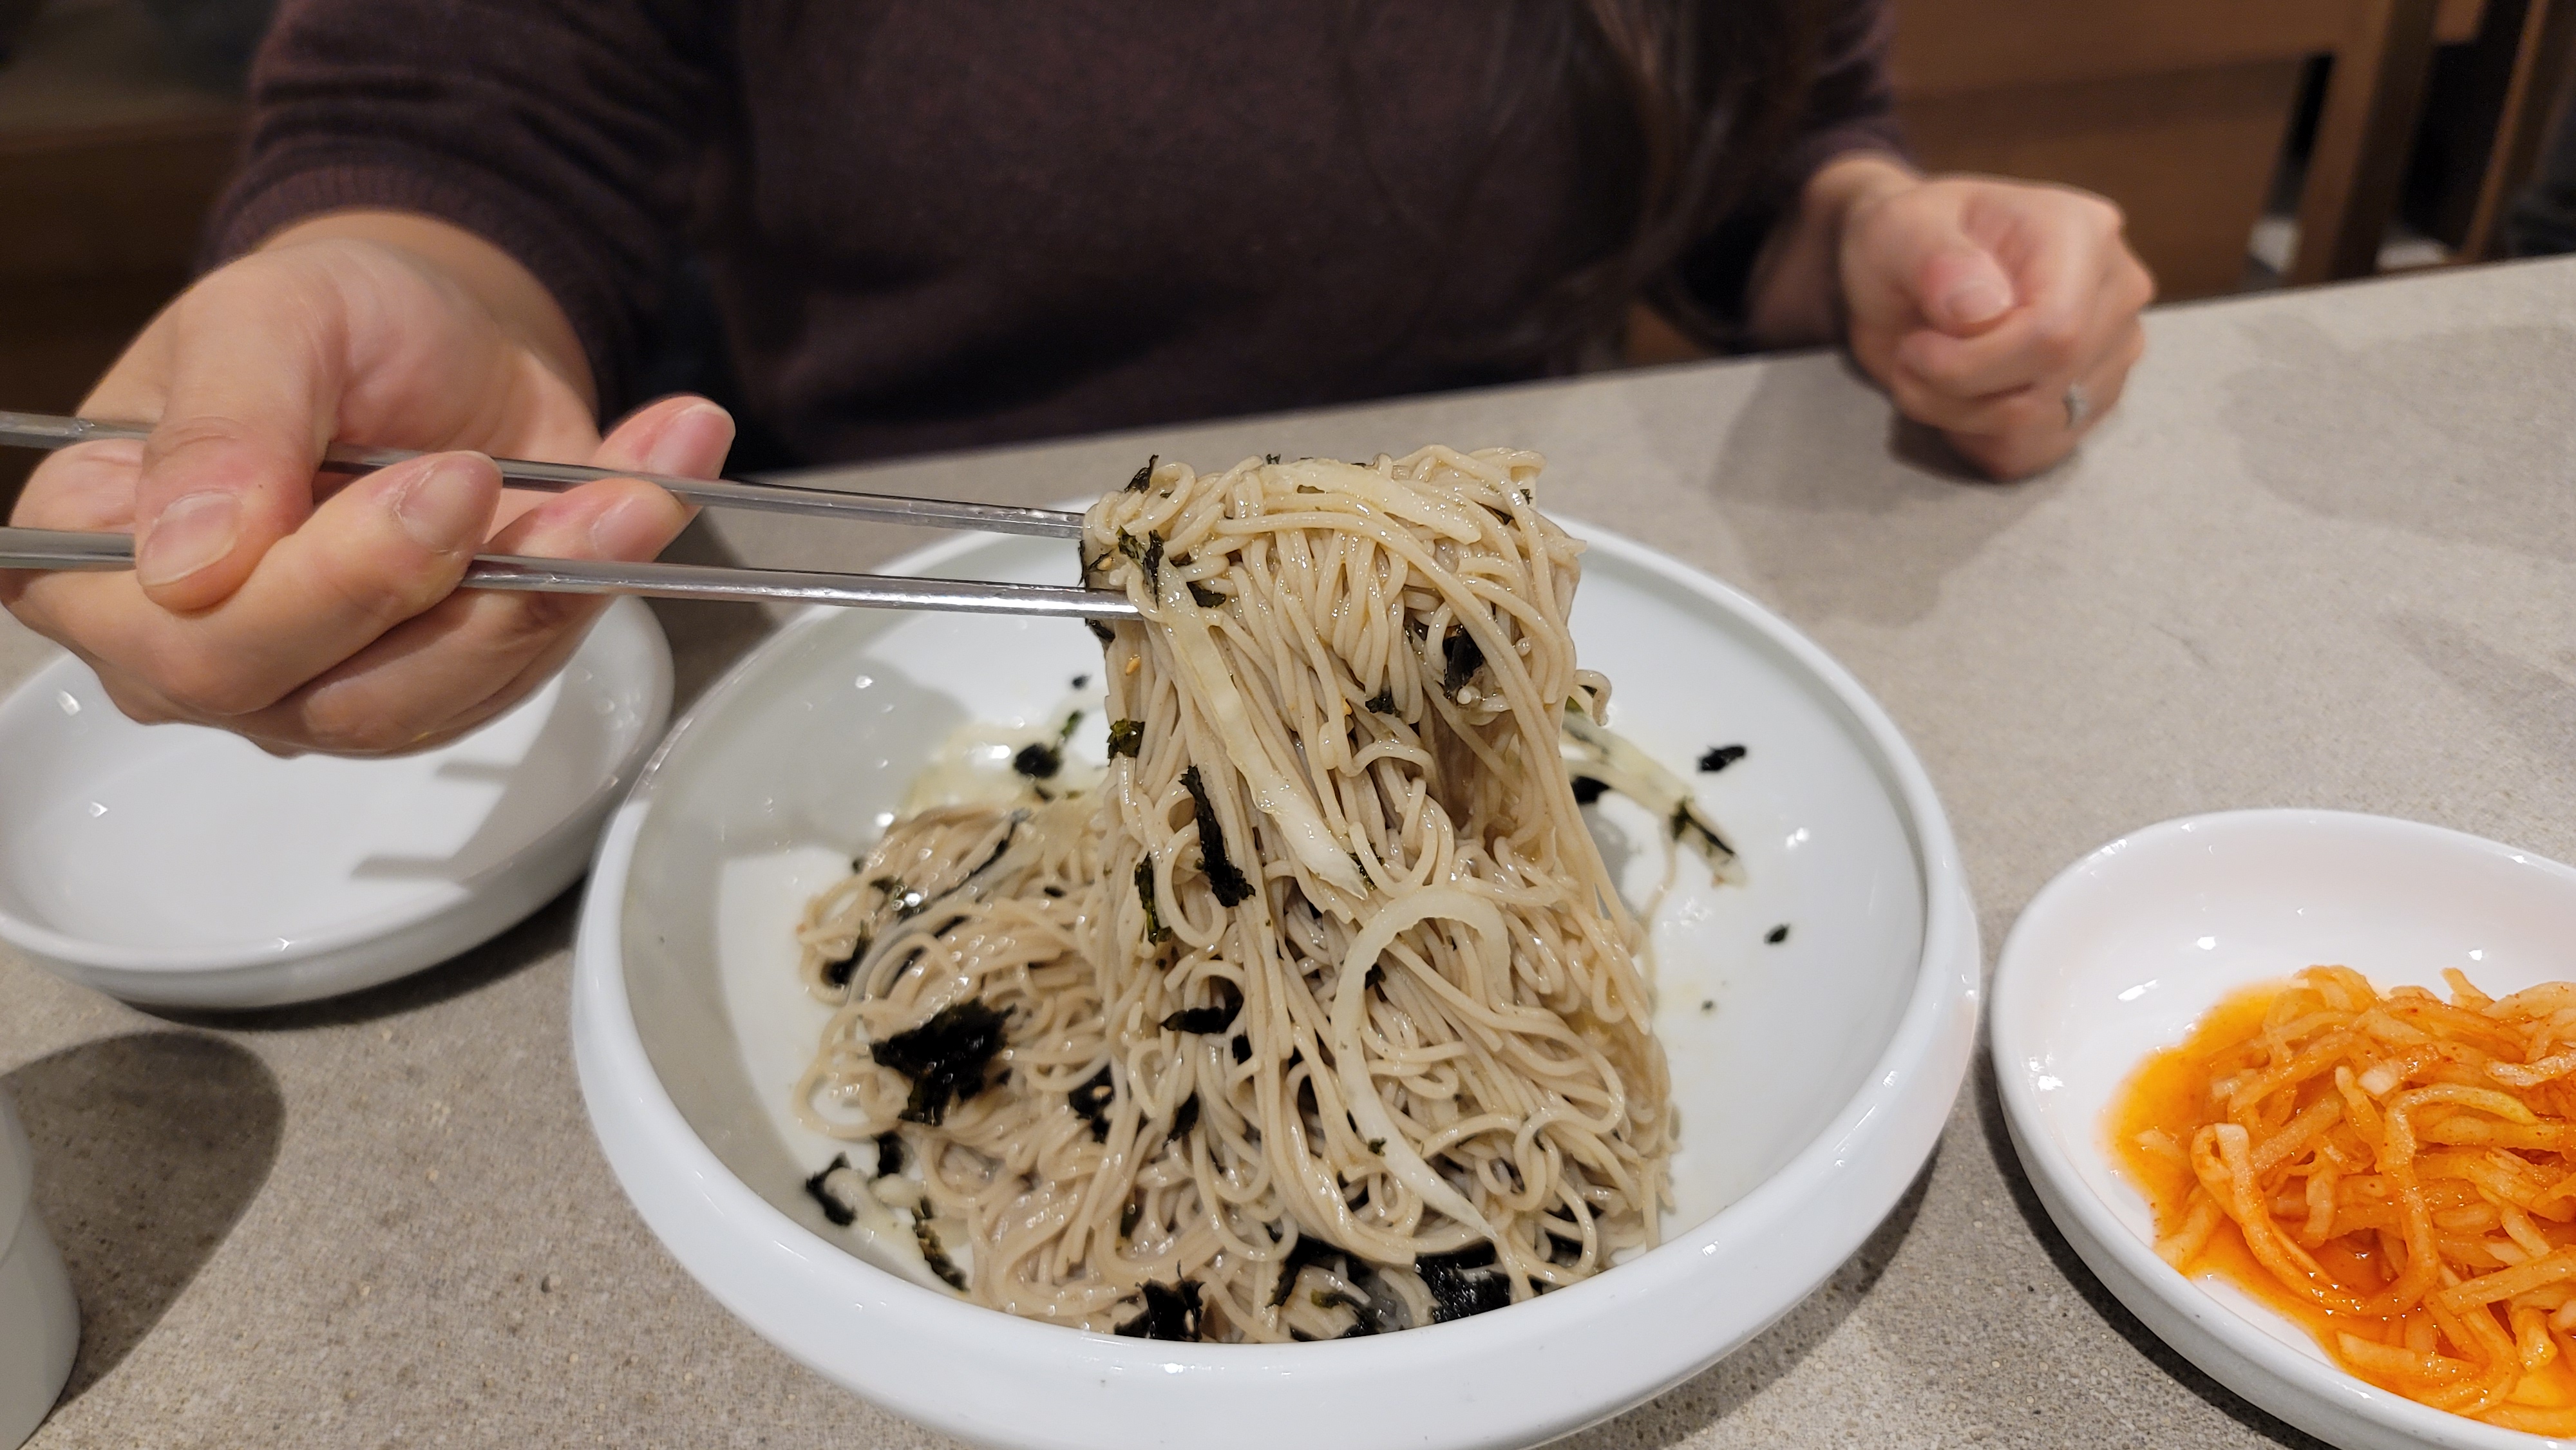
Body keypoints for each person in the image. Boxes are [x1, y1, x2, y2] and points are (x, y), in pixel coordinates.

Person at [2, 0, 2151, 757]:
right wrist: (382, 278)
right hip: (915, 652)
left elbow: (1758, 143)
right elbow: (467, 114)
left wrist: (1875, 229)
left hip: (1533, 628)